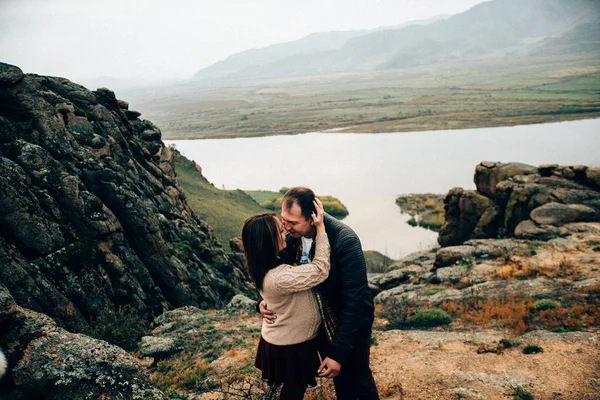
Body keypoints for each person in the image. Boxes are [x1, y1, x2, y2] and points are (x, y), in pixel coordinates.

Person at [259, 187, 379, 400]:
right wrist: (262, 301)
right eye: (284, 220)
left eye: (293, 223)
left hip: (347, 324)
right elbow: (274, 272)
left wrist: (338, 352)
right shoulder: (291, 236)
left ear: (313, 217)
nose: (286, 227)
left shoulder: (345, 240)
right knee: (325, 382)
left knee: (356, 379)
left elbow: (355, 300)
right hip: (315, 326)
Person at [242, 198, 330, 400]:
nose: (286, 232)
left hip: (283, 338)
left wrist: (260, 304)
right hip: (291, 345)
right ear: (268, 241)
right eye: (281, 231)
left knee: (291, 388)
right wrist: (321, 230)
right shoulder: (279, 276)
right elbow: (320, 269)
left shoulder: (264, 263)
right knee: (293, 391)